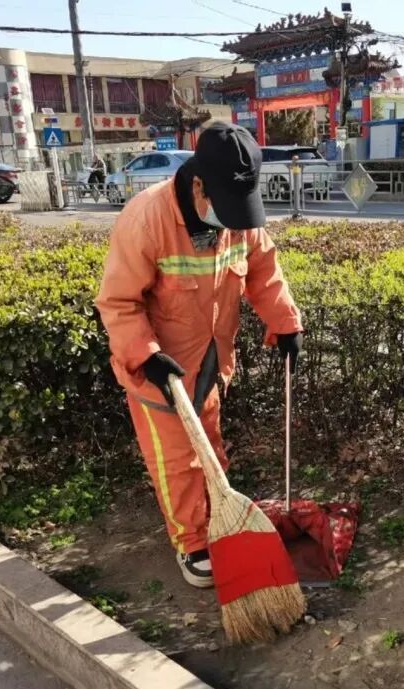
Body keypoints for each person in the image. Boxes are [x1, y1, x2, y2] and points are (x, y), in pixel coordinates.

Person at [95, 122, 303, 588]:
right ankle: (191, 542)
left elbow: (264, 271)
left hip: (210, 359)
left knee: (209, 445)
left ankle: (219, 517)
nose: (233, 221)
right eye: (225, 207)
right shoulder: (146, 220)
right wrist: (146, 355)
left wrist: (285, 322)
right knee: (177, 461)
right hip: (159, 373)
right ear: (198, 186)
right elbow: (118, 302)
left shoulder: (238, 220)